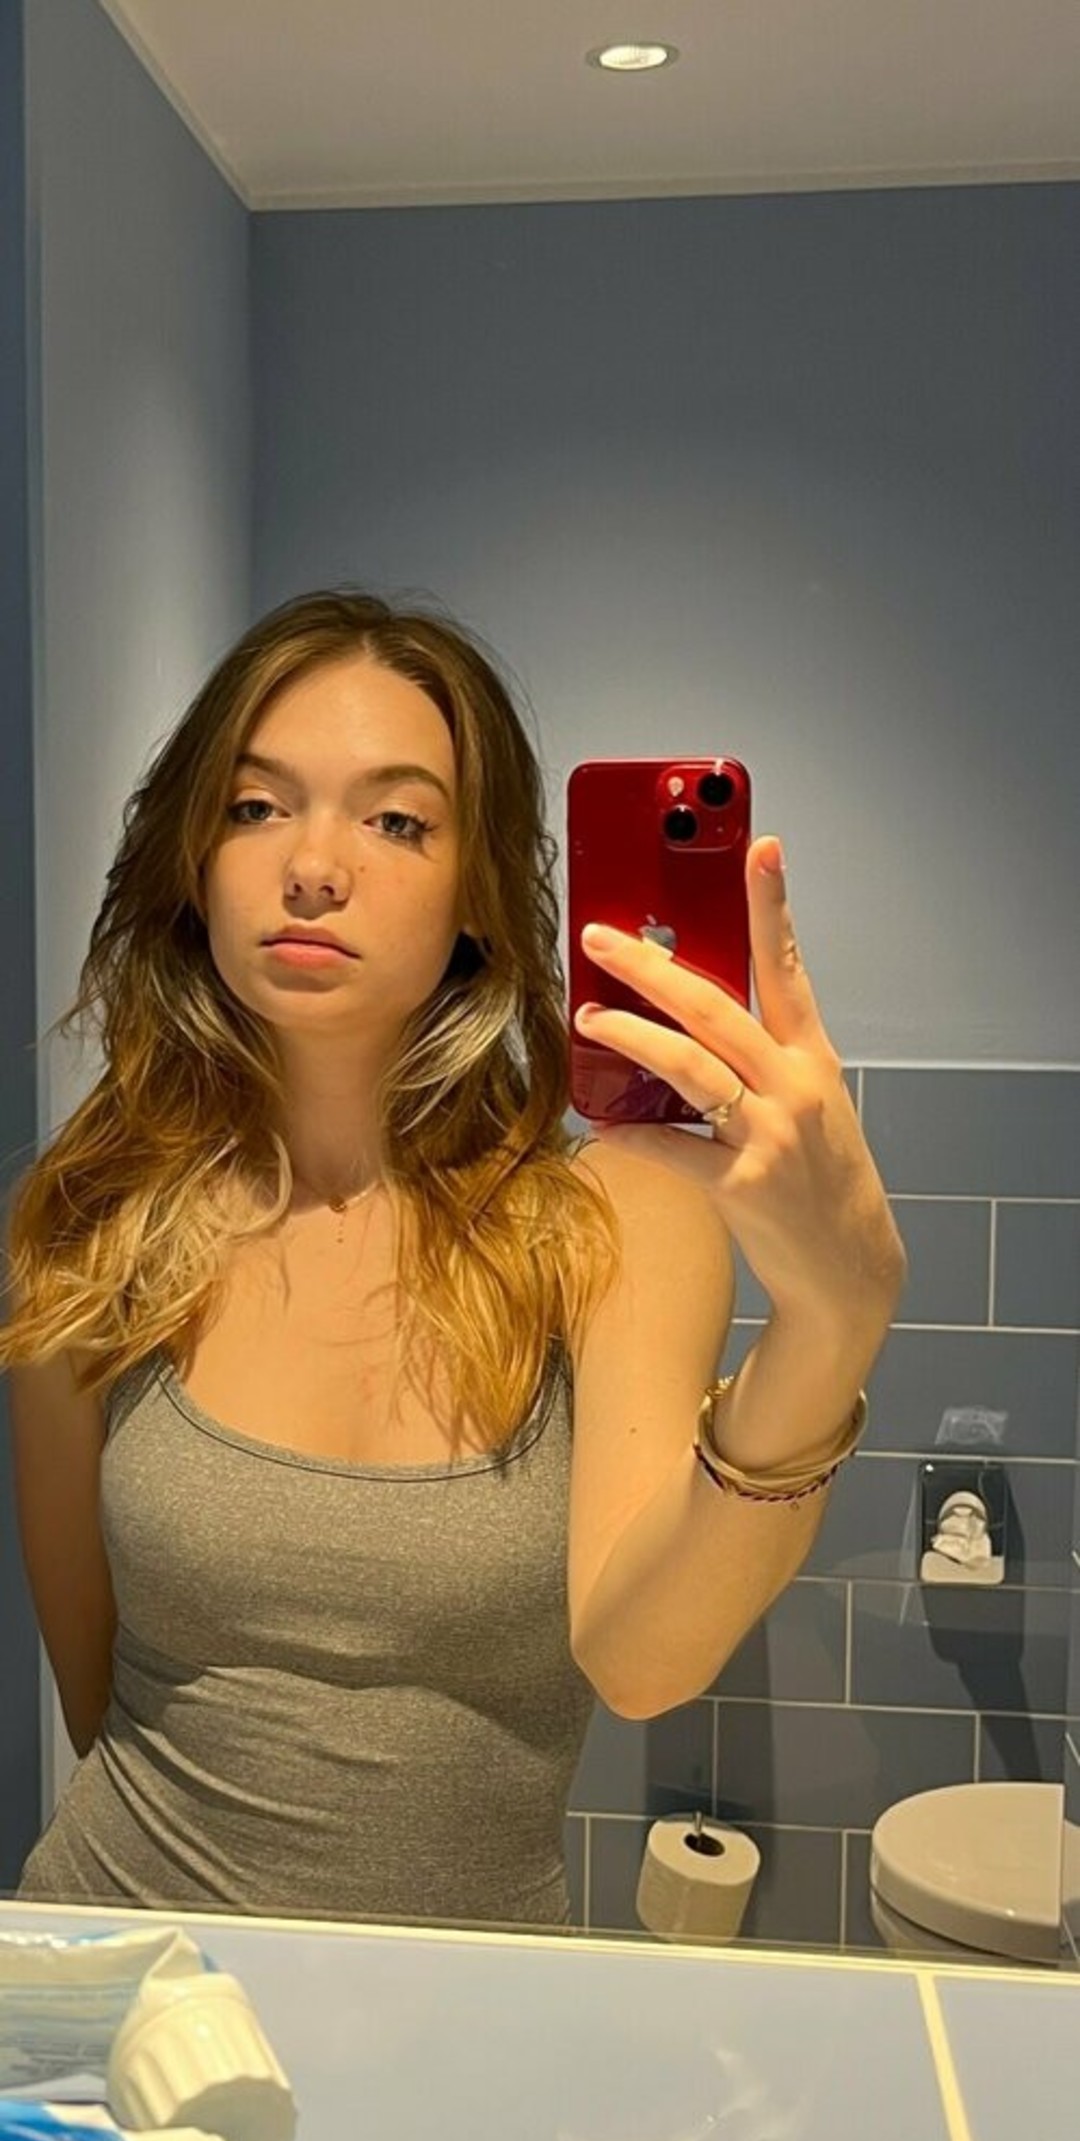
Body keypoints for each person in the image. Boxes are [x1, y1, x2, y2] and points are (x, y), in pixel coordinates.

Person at [1, 587, 906, 1929]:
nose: (314, 866)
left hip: (474, 2004)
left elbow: (644, 1662)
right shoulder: (91, 1217)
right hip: (115, 1975)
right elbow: (92, 1683)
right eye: (256, 805)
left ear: (478, 893)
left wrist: (831, 1325)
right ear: (193, 857)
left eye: (396, 820)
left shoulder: (613, 1216)